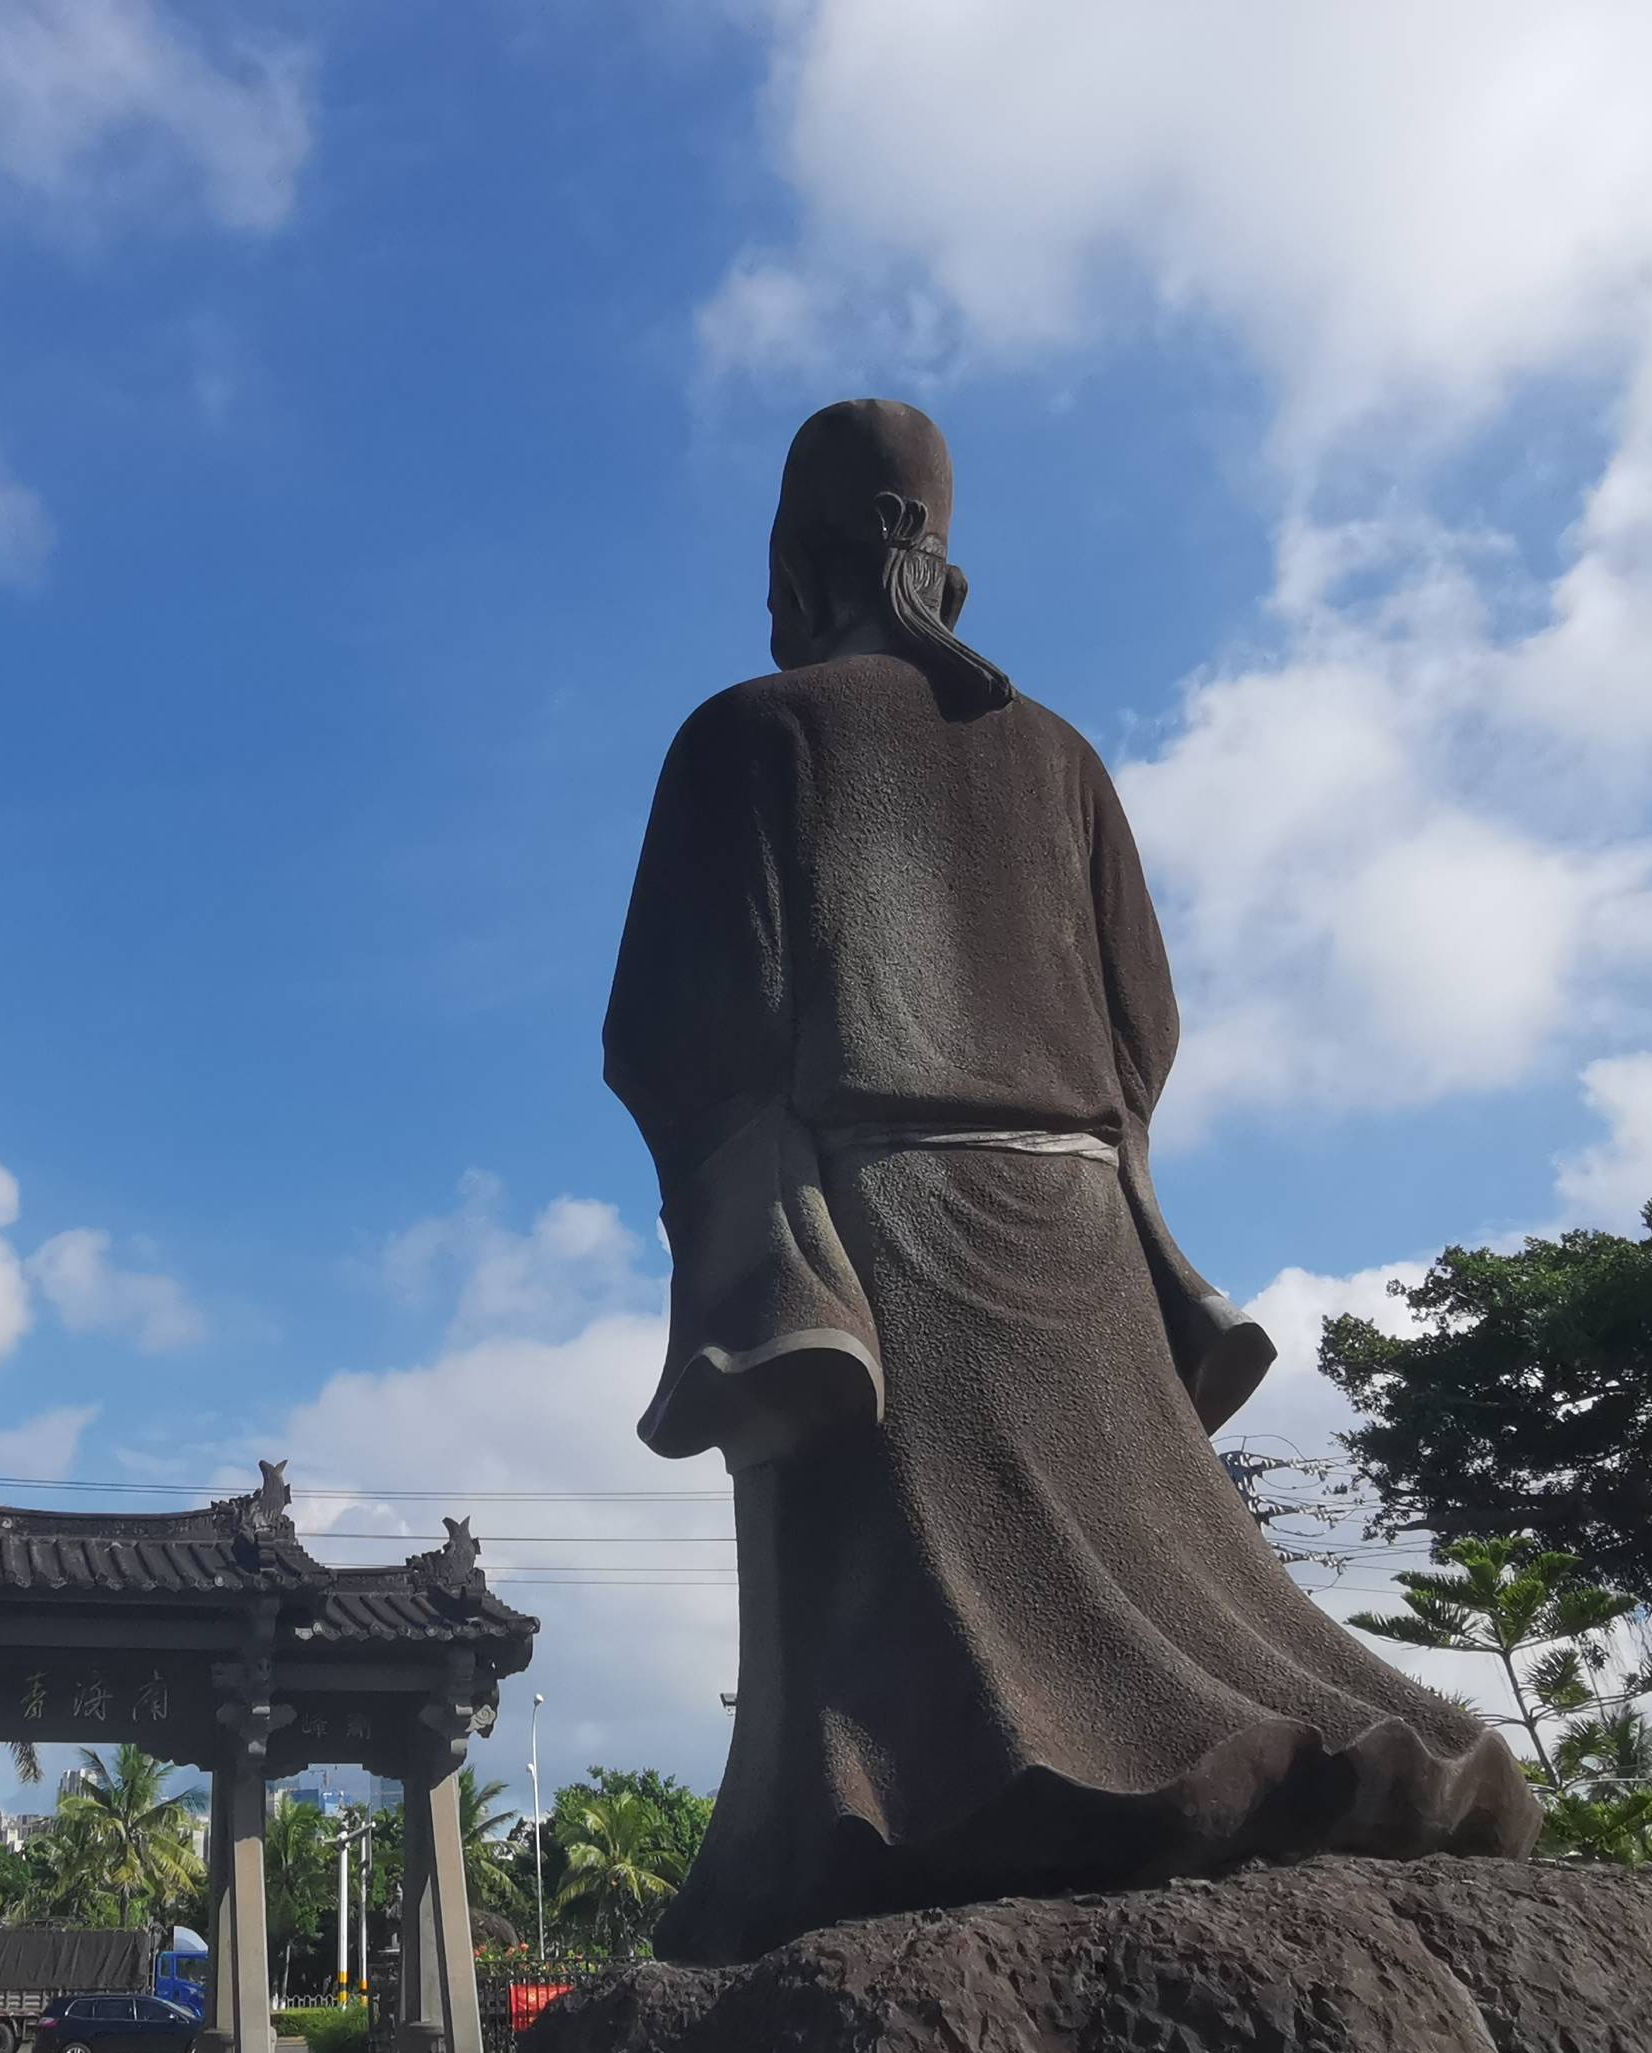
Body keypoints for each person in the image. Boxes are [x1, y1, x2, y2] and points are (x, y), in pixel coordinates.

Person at [606, 399, 1544, 1966]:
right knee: (1165, 1578)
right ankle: (1291, 1757)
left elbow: (688, 1024)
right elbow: (1143, 1022)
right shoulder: (1056, 756)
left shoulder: (753, 734)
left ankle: (877, 1839)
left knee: (896, 1608)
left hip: (872, 1229)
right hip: (1081, 1223)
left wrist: (760, 1177)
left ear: (796, 551)